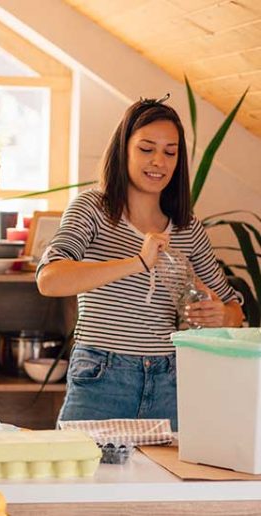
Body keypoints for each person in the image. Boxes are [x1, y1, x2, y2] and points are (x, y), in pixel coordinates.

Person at [36, 96, 243, 430]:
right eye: (146, 149)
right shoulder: (93, 210)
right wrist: (138, 262)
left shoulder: (188, 227)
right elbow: (50, 279)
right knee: (84, 480)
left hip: (169, 381)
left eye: (170, 152)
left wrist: (222, 314)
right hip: (100, 376)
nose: (158, 161)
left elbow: (234, 311)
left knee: (164, 482)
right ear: (124, 150)